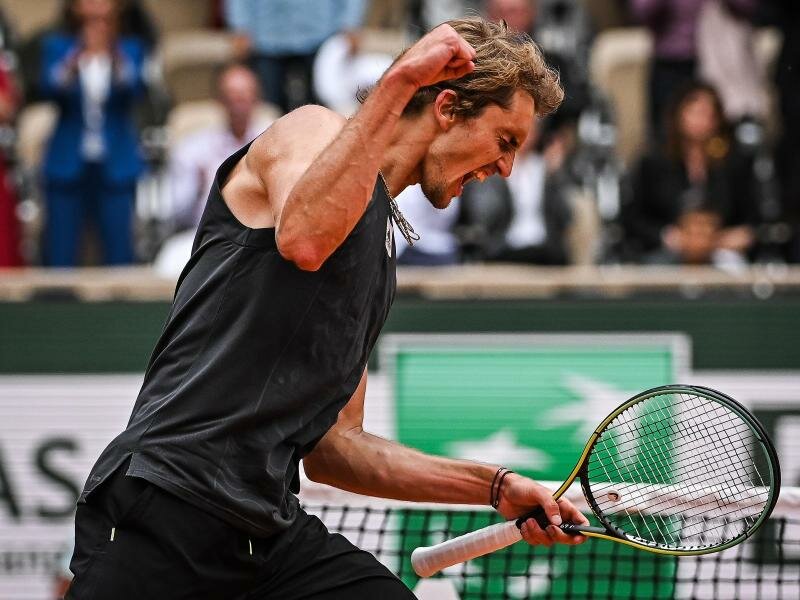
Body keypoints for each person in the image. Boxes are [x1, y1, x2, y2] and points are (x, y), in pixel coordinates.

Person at [66, 17, 588, 599]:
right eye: (505, 140)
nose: (506, 168)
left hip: (263, 534)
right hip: (166, 508)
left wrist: (495, 485)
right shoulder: (312, 130)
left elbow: (338, 449)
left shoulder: (379, 261)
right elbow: (306, 238)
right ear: (447, 108)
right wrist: (400, 80)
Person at [40, 0, 147, 266]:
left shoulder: (130, 48)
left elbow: (135, 89)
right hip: (67, 163)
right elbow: (48, 89)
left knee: (120, 255)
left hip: (115, 164)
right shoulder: (58, 46)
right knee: (60, 255)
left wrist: (113, 54)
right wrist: (76, 59)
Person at [621, 81, 757, 262]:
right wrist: (667, 236)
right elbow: (632, 219)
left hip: (721, 250)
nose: (702, 120)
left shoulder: (734, 163)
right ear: (679, 114)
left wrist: (728, 237)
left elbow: (753, 218)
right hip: (667, 252)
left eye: (709, 113)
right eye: (696, 112)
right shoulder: (654, 162)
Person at [168, 62, 272, 230]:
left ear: (257, 99)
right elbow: (178, 215)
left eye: (244, 94)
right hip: (204, 240)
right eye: (231, 95)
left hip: (260, 240)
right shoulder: (192, 150)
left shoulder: (275, 147)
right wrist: (197, 188)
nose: (238, 102)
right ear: (220, 100)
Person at [460, 115, 573, 264]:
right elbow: (483, 216)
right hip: (505, 248)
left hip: (543, 249)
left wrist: (555, 175)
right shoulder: (494, 168)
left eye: (531, 130)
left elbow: (566, 217)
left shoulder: (545, 169)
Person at [224, 0, 367, 113]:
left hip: (320, 33)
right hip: (267, 36)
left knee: (321, 109)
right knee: (268, 109)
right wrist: (240, 25)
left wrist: (351, 23)